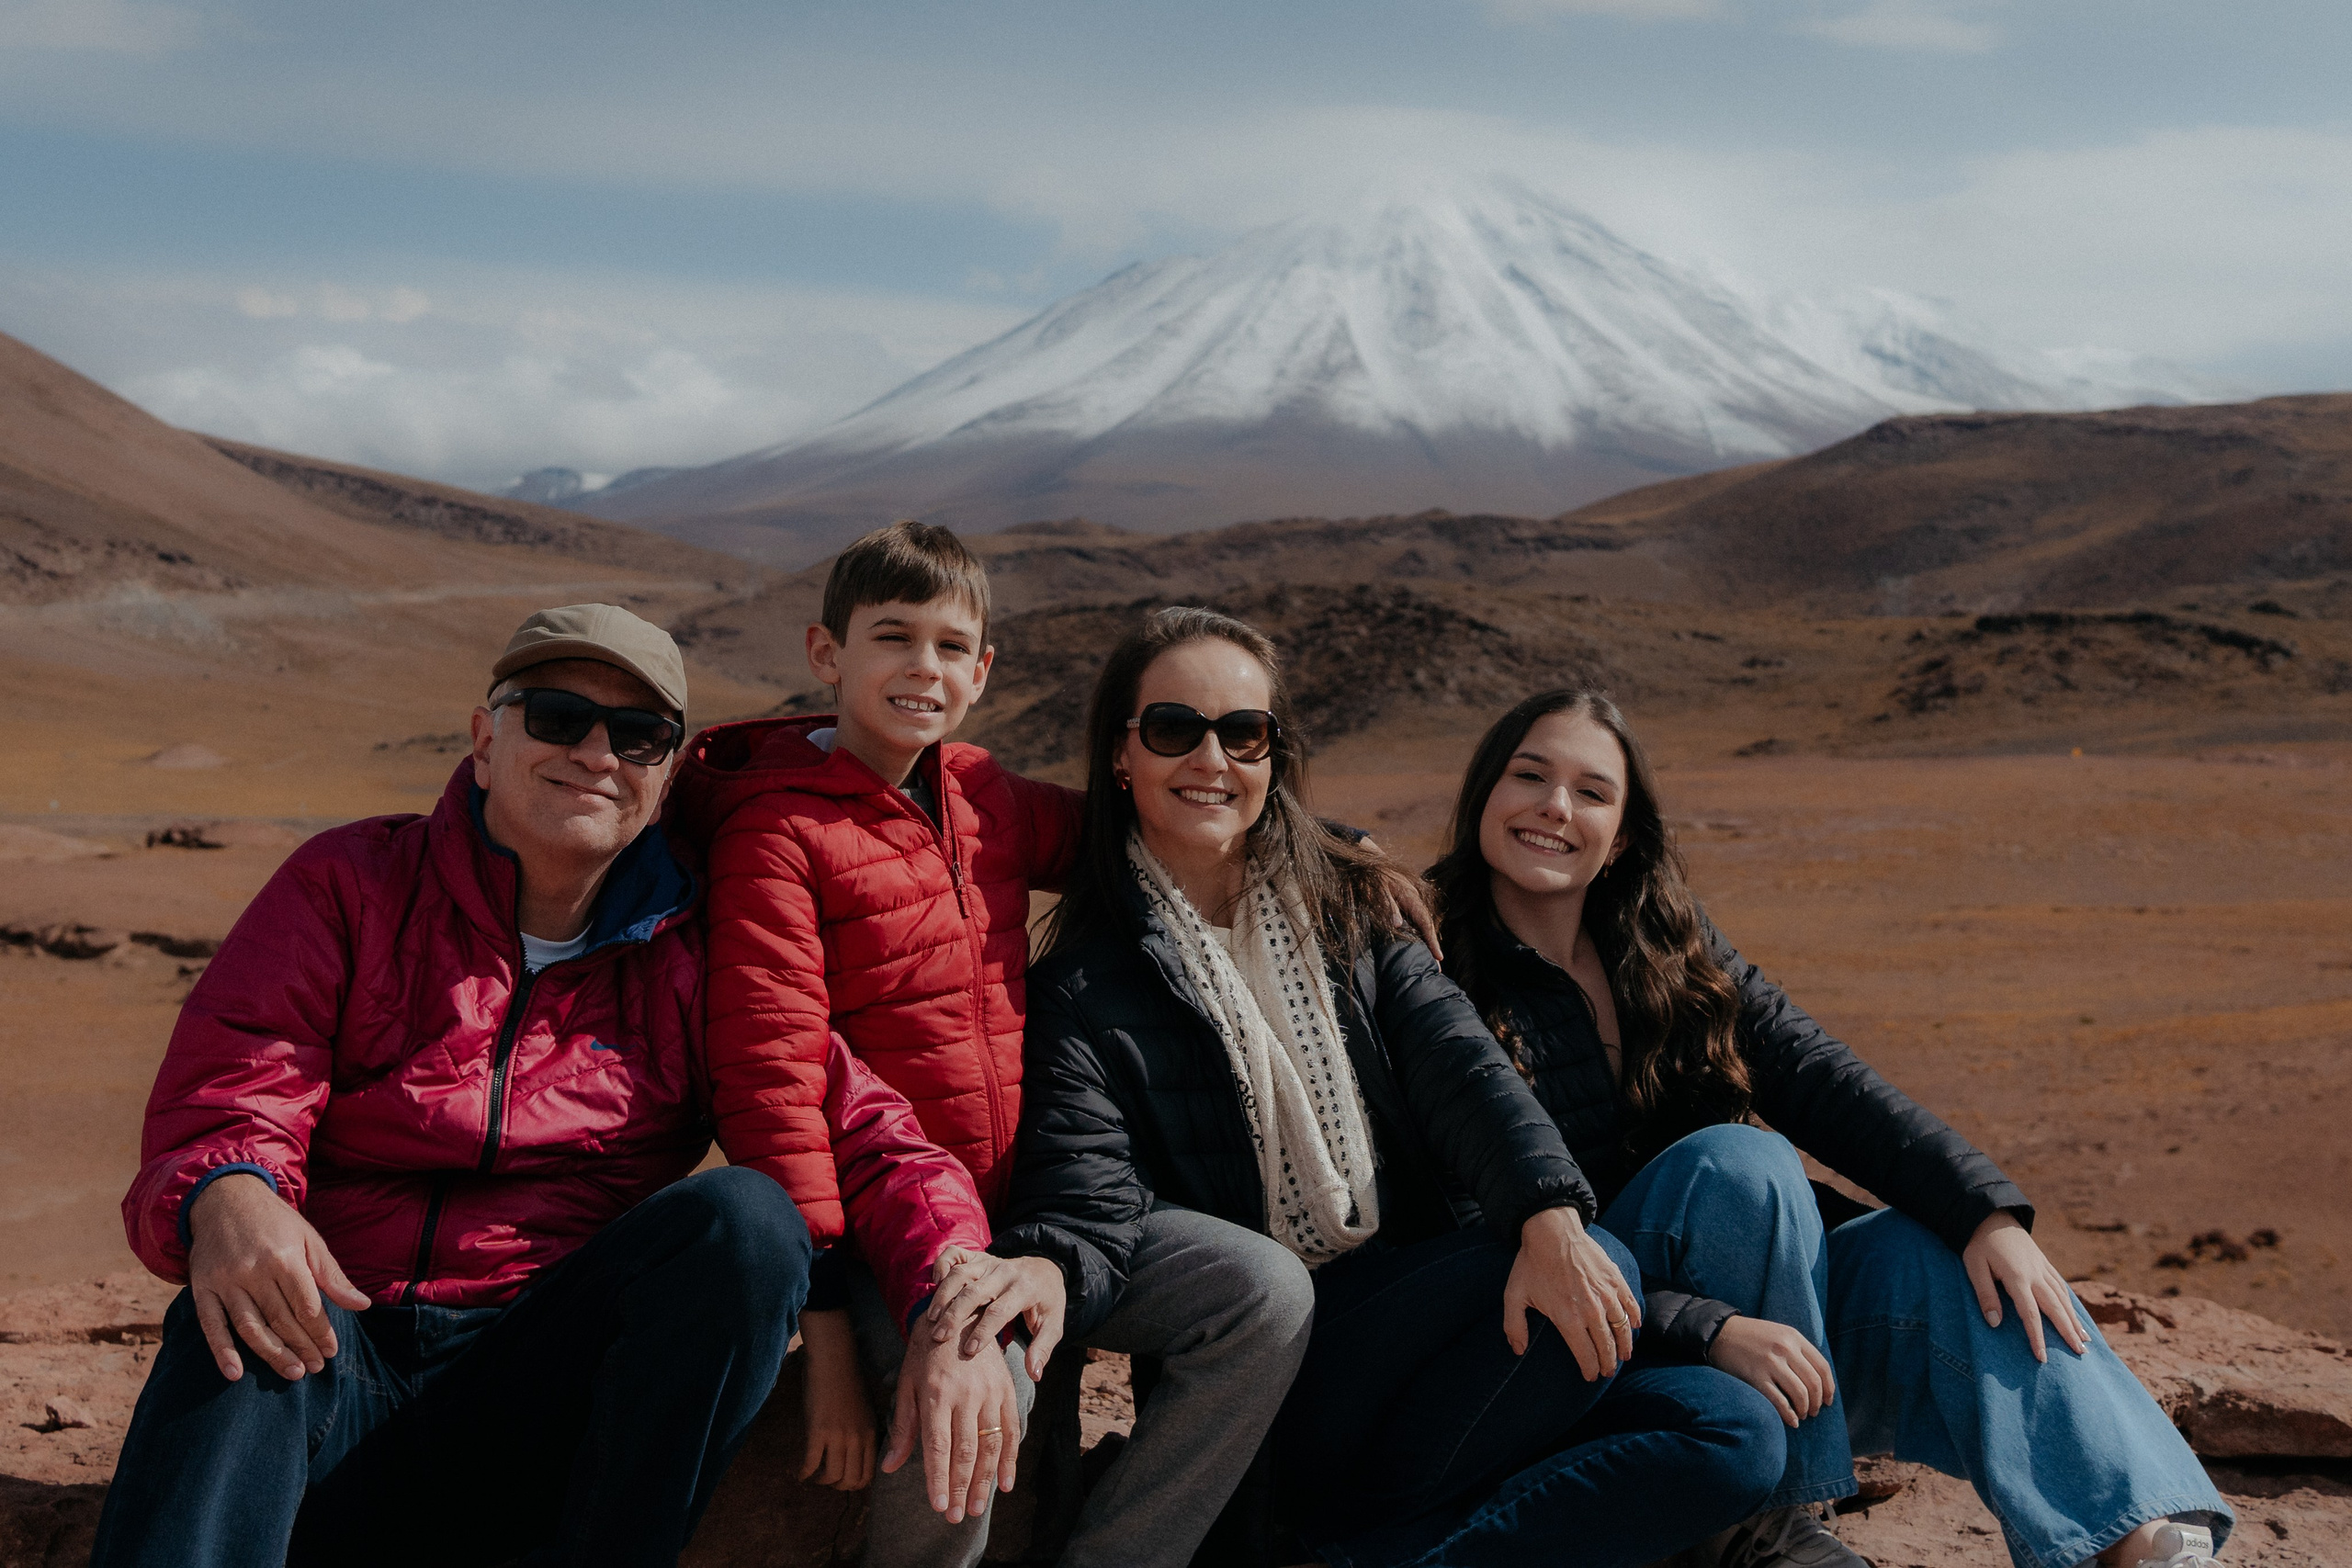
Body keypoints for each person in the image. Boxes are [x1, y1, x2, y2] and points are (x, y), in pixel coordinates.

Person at [95, 604, 1002, 1568]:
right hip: (328, 1352)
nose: (596, 753)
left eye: (639, 735)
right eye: (558, 717)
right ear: (487, 740)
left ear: (663, 780)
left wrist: (953, 1289)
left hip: (537, 1395)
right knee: (237, 1300)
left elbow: (864, 1133)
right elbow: (240, 1080)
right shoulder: (349, 885)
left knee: (745, 1223)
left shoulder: (698, 954)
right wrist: (226, 1191)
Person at [987, 606, 1789, 1568]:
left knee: (1733, 1432)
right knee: (1586, 1280)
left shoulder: (1350, 911)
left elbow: (1463, 1068)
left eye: (1244, 733)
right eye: (1173, 729)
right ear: (1121, 753)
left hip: (1444, 1333)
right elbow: (1090, 1203)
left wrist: (1549, 1215)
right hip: (1292, 1370)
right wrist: (1044, 1261)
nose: (1212, 758)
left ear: (1275, 756)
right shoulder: (1081, 986)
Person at [1428, 685, 2234, 1568]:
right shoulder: (1429, 960)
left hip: (1753, 1334)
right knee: (1743, 1165)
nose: (1555, 807)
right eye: (1530, 776)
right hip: (1586, 1347)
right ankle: (1768, 1525)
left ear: (1621, 836)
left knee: (1941, 1257)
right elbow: (1469, 1238)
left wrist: (1985, 1211)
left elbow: (1826, 1080)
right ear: (1482, 797)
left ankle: (2143, 1539)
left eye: (1591, 791)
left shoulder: (1664, 944)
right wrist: (1704, 1325)